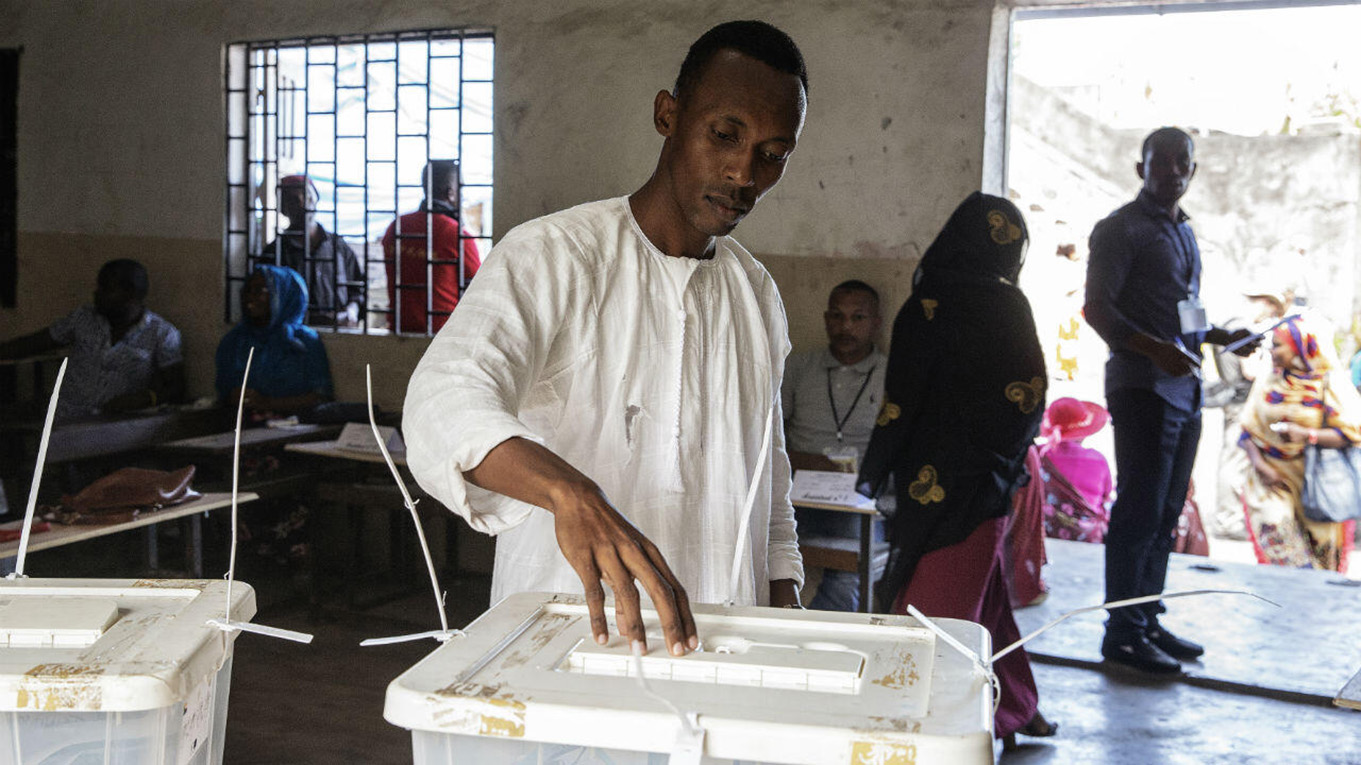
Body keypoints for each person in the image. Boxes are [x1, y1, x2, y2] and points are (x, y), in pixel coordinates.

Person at [403, 20, 809, 657]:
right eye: (725, 135)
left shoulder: (755, 294)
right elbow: (442, 400)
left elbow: (769, 472)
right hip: (570, 640)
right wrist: (571, 492)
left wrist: (784, 608)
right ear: (667, 115)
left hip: (722, 646)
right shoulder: (553, 255)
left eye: (773, 154)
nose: (743, 172)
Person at [857, 192, 1055, 747]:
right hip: (984, 485)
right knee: (974, 598)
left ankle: (937, 738)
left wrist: (879, 468)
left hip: (929, 483)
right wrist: (1005, 466)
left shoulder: (925, 304)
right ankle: (1014, 706)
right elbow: (1030, 401)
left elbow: (900, 403)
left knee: (937, 623)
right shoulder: (1008, 306)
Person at [1084, 127, 1258, 675]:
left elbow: (1187, 314)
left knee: (1165, 511)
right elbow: (1098, 310)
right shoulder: (1119, 230)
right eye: (1161, 165)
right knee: (1137, 510)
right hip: (1140, 388)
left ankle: (1146, 618)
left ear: (1193, 171)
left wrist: (1220, 336)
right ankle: (1122, 634)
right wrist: (1154, 350)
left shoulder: (1183, 231)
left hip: (1184, 390)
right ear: (1141, 169)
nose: (1172, 174)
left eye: (1182, 164)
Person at [781, 279, 886, 611]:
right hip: (796, 493)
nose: (846, 327)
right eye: (837, 316)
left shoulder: (891, 375)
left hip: (859, 498)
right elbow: (767, 436)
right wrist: (808, 462)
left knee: (849, 574)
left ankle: (806, 644)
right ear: (826, 319)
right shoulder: (799, 367)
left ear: (876, 323)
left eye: (858, 318)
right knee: (758, 553)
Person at [1238, 316, 1361, 571]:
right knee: (1286, 556)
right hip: (1271, 481)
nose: (1271, 352)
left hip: (1318, 483)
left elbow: (1351, 433)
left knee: (1322, 564)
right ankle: (1284, 605)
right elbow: (1247, 431)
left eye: (1278, 345)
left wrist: (1307, 436)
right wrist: (1260, 465)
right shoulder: (1268, 380)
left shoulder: (1331, 382)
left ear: (1302, 346)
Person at [0, 259, 184, 419]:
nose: (96, 294)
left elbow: (176, 387)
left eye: (106, 288)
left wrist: (147, 398)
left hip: (113, 427)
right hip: (63, 419)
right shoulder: (83, 318)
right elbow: (35, 343)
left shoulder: (163, 334)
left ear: (130, 293)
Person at [216, 264, 333, 416]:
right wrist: (234, 396)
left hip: (295, 428)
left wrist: (267, 403)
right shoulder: (235, 340)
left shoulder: (304, 342)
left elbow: (321, 397)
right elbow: (223, 392)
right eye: (247, 291)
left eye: (259, 291)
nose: (250, 298)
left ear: (282, 295)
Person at [382, 160, 482, 334]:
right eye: (461, 188)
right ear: (451, 192)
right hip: (444, 338)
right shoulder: (457, 235)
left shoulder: (395, 228)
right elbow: (480, 293)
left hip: (397, 334)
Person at [260, 174, 364, 327]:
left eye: (307, 196)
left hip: (339, 337)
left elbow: (358, 291)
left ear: (316, 199)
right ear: (282, 207)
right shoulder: (274, 253)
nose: (303, 203)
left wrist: (351, 312)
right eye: (293, 200)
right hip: (293, 339)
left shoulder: (339, 247)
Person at [1039, 397, 1112, 543]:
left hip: (1044, 532)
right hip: (1088, 536)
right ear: (1084, 430)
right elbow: (1106, 497)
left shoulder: (1037, 456)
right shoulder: (1098, 460)